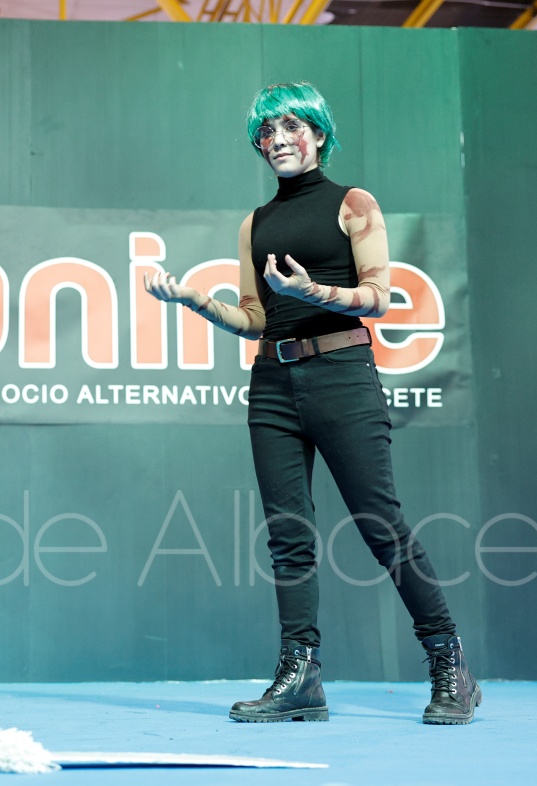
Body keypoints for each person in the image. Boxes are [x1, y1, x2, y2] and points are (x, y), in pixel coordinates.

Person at [144, 81, 481, 725]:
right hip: (272, 382)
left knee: (379, 523)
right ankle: (301, 677)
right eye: (266, 132)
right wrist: (193, 302)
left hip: (342, 374)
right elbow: (253, 317)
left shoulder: (353, 204)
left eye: (292, 126)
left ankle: (450, 663)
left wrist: (315, 291)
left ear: (319, 135)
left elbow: (379, 297)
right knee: (288, 534)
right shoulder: (255, 224)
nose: (277, 139)